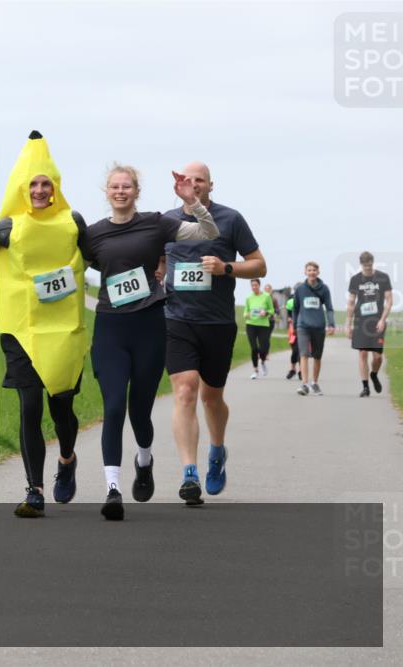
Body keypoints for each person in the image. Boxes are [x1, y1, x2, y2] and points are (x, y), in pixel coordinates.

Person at [0, 131, 87, 518]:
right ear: (21, 189)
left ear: (55, 187)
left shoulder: (73, 222)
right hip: (20, 329)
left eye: (46, 184)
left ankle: (67, 458)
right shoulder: (8, 226)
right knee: (29, 408)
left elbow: (100, 256)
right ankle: (34, 489)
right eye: (33, 184)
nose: (40, 190)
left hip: (62, 330)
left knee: (61, 410)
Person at [82, 164, 218, 520]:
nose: (121, 191)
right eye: (115, 186)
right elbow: (75, 267)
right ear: (106, 191)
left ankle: (144, 459)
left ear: (136, 191)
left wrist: (193, 200)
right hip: (110, 327)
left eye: (127, 186)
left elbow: (208, 232)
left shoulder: (157, 224)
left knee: (139, 411)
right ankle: (113, 488)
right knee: (113, 408)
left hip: (149, 326)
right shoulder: (93, 234)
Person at [163, 162, 266, 505]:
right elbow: (158, 264)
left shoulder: (230, 219)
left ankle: (217, 451)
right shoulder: (167, 220)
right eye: (187, 179)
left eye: (200, 180)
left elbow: (259, 264)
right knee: (185, 391)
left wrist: (226, 268)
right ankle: (189, 473)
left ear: (210, 185)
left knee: (211, 397)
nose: (193, 184)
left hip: (217, 323)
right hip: (176, 319)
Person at [346, 251, 394, 397]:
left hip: (377, 321)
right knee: (363, 353)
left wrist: (382, 319)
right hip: (361, 321)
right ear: (361, 264)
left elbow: (389, 300)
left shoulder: (383, 277)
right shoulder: (355, 279)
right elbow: (351, 302)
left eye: (370, 265)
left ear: (373, 262)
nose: (368, 268)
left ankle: (374, 374)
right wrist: (348, 324)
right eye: (365, 265)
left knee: (378, 357)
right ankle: (365, 387)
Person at [293, 262, 336, 396]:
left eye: (314, 270)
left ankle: (314, 383)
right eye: (309, 270)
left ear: (318, 272)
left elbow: (329, 308)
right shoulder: (300, 289)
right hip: (303, 326)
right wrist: (295, 325)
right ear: (305, 272)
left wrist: (331, 324)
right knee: (304, 354)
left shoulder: (324, 289)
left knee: (317, 356)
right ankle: (304, 384)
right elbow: (295, 308)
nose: (312, 272)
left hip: (318, 326)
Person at [244, 278, 275, 378]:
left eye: (255, 285)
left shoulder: (266, 296)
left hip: (263, 325)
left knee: (263, 348)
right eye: (252, 285)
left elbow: (272, 310)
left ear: (259, 285)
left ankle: (262, 361)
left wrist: (265, 312)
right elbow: (245, 311)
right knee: (254, 348)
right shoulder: (249, 297)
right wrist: (246, 314)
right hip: (251, 325)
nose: (254, 287)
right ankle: (255, 370)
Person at [285, 290, 301, 380]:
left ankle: (301, 371)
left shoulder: (305, 298)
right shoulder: (291, 300)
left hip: (303, 328)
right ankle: (293, 369)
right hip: (293, 329)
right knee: (294, 350)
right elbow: (288, 314)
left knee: (301, 351)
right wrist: (289, 318)